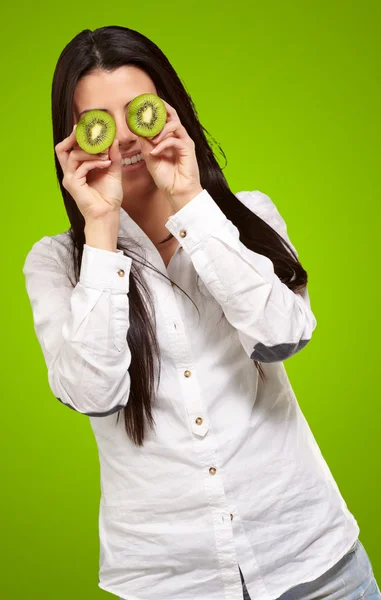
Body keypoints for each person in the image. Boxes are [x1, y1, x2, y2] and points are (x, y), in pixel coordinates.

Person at [22, 25, 380, 600]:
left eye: (136, 109)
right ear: (73, 139)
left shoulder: (248, 216)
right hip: (170, 581)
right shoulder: (58, 263)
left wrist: (190, 202)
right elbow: (93, 393)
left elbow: (283, 335)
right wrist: (102, 229)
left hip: (312, 561)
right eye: (99, 123)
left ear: (169, 110)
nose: (123, 138)